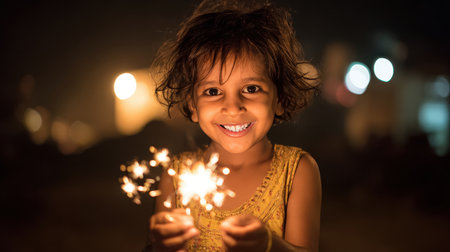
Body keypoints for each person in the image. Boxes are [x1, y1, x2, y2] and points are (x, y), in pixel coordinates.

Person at [147, 0, 321, 251]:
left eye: (251, 89)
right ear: (193, 106)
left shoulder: (297, 172)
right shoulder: (176, 177)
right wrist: (159, 246)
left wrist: (269, 245)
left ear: (279, 99)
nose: (233, 107)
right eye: (213, 91)